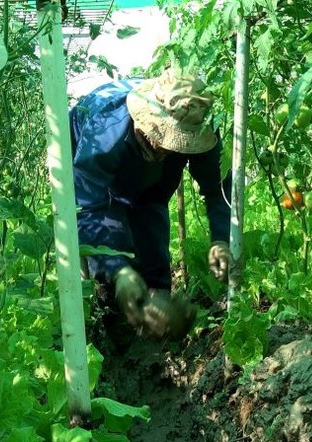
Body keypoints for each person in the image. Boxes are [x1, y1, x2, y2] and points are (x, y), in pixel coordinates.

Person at [69, 69, 232, 339]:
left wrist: (221, 239)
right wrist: (118, 271)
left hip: (152, 187)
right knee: (111, 251)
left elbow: (219, 190)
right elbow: (88, 207)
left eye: (178, 145)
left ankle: (156, 340)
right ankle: (113, 331)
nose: (168, 148)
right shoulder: (104, 131)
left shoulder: (199, 127)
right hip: (100, 175)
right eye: (165, 139)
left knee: (153, 252)